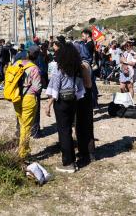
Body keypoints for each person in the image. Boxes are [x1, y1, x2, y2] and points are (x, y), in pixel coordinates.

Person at [45, 41, 86, 173]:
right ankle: (73, 160)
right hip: (73, 101)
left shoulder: (59, 69)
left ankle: (68, 163)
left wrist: (48, 105)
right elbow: (80, 89)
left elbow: (54, 89)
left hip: (61, 102)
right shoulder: (77, 69)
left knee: (64, 132)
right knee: (69, 130)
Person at [11, 45, 43, 159]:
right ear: (37, 56)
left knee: (21, 123)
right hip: (28, 98)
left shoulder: (17, 63)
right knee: (27, 126)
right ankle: (23, 153)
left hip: (16, 96)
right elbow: (38, 87)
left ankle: (23, 149)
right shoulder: (34, 68)